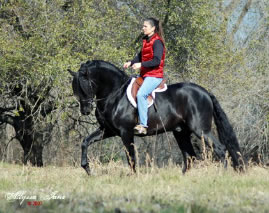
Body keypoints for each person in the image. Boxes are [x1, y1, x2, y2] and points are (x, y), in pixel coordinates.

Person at [123, 17, 166, 135]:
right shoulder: (146, 40)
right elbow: (141, 55)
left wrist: (140, 65)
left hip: (155, 76)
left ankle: (143, 125)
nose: (143, 28)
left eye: (145, 26)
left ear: (153, 28)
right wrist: (131, 62)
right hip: (145, 74)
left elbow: (157, 60)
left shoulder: (157, 42)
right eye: (143, 26)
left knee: (141, 94)